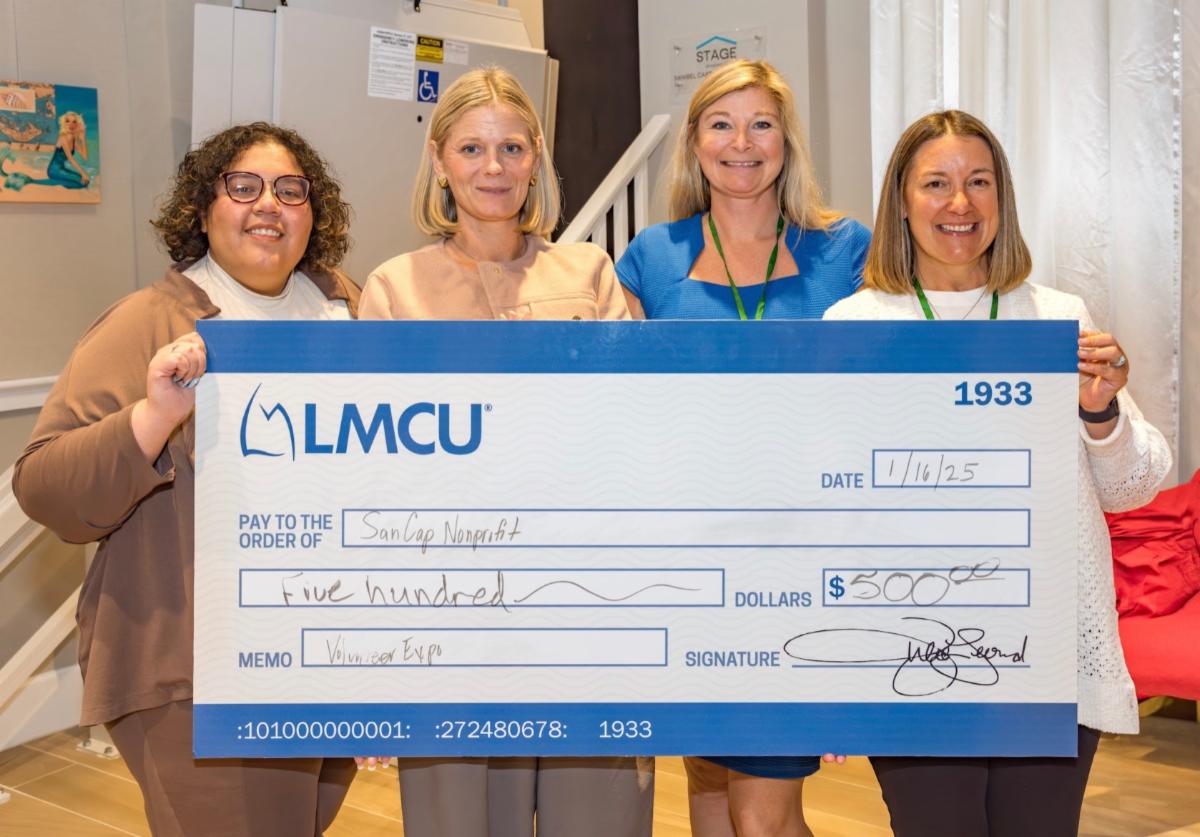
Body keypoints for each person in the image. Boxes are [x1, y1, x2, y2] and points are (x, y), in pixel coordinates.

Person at [823, 109, 1172, 837]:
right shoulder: (853, 326)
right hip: (911, 649)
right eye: (936, 183)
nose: (960, 202)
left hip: (1048, 651)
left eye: (979, 182)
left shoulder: (1057, 317)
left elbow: (1131, 487)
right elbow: (829, 510)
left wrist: (1100, 414)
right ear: (901, 200)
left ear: (1001, 198)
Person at [12, 122, 361, 837]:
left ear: (313, 212)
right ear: (202, 210)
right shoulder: (148, 322)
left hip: (323, 645)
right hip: (195, 670)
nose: (269, 204)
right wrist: (153, 417)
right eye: (244, 186)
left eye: (291, 189)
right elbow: (43, 485)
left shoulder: (350, 308)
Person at [358, 67, 652, 837]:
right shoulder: (393, 289)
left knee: (600, 818)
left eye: (512, 148)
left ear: (537, 156)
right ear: (439, 159)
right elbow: (371, 480)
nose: (493, 167)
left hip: (585, 604)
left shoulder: (589, 274)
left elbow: (633, 435)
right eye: (472, 148)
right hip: (448, 612)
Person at [615, 58, 868, 837]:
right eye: (722, 125)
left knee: (763, 812)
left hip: (801, 557)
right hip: (688, 557)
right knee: (711, 784)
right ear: (694, 143)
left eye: (762, 124)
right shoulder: (652, 256)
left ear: (787, 142)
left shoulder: (844, 249)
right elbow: (620, 404)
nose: (742, 143)